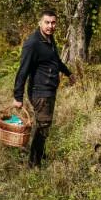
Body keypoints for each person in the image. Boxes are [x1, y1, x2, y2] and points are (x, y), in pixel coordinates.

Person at [13, 9, 72, 167]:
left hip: (49, 90)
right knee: (43, 126)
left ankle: (40, 152)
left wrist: (68, 73)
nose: (50, 26)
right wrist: (18, 97)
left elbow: (55, 61)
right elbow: (23, 70)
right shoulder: (32, 44)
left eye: (53, 23)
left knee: (44, 124)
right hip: (40, 92)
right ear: (40, 23)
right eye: (47, 22)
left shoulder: (49, 39)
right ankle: (34, 163)